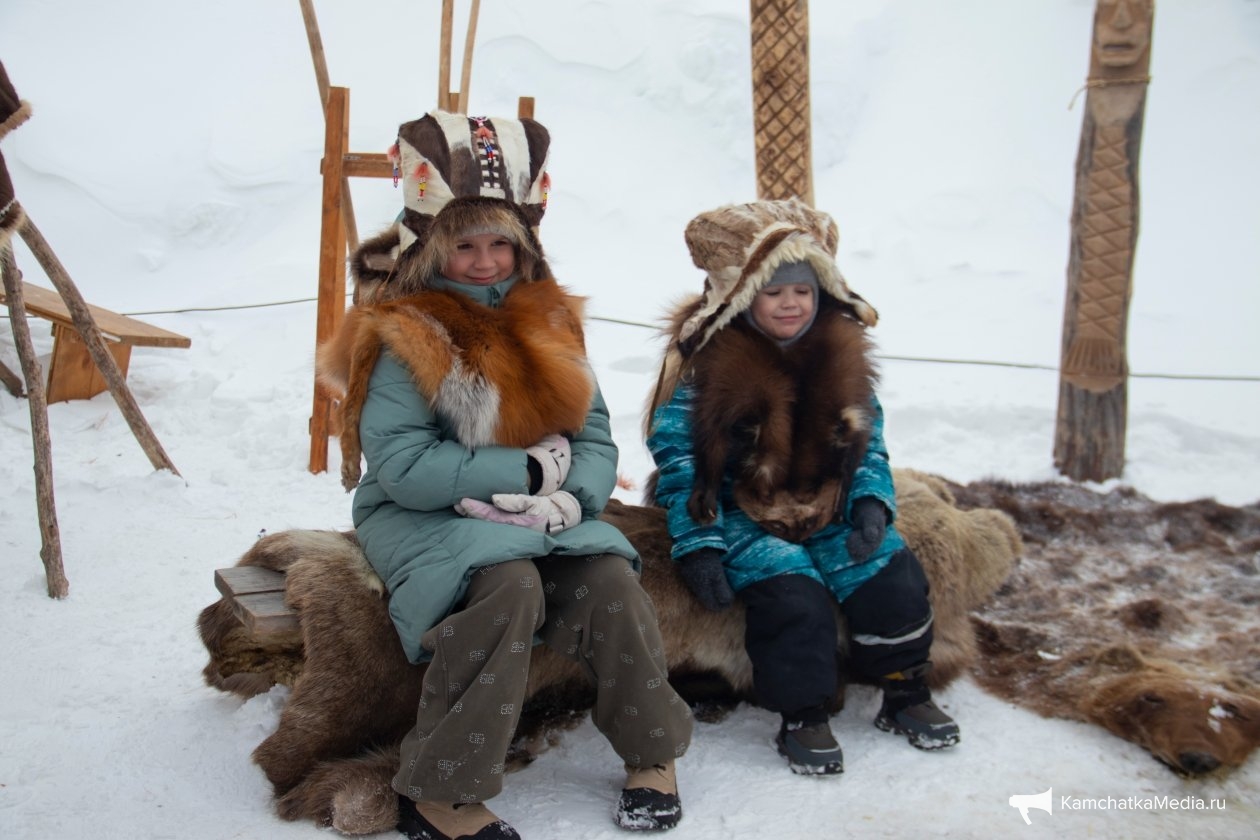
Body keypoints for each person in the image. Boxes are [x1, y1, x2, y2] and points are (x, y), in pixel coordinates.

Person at [320, 191, 692, 839]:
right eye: (464, 245)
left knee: (609, 584)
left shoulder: (549, 319)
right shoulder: (405, 330)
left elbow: (594, 436)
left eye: (500, 245)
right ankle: (442, 793)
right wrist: (519, 473)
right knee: (508, 585)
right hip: (428, 514)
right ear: (436, 251)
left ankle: (651, 750)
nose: (485, 261)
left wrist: (573, 497)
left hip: (545, 509)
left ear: (522, 250)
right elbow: (403, 465)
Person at [645, 198, 958, 777]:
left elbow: (869, 439)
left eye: (804, 291)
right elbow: (682, 461)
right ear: (742, 293)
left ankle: (904, 690)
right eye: (774, 291)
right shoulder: (707, 367)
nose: (791, 303)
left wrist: (868, 500)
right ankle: (803, 712)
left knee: (892, 577)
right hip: (743, 509)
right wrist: (701, 543)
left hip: (828, 501)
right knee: (793, 599)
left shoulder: (838, 357)